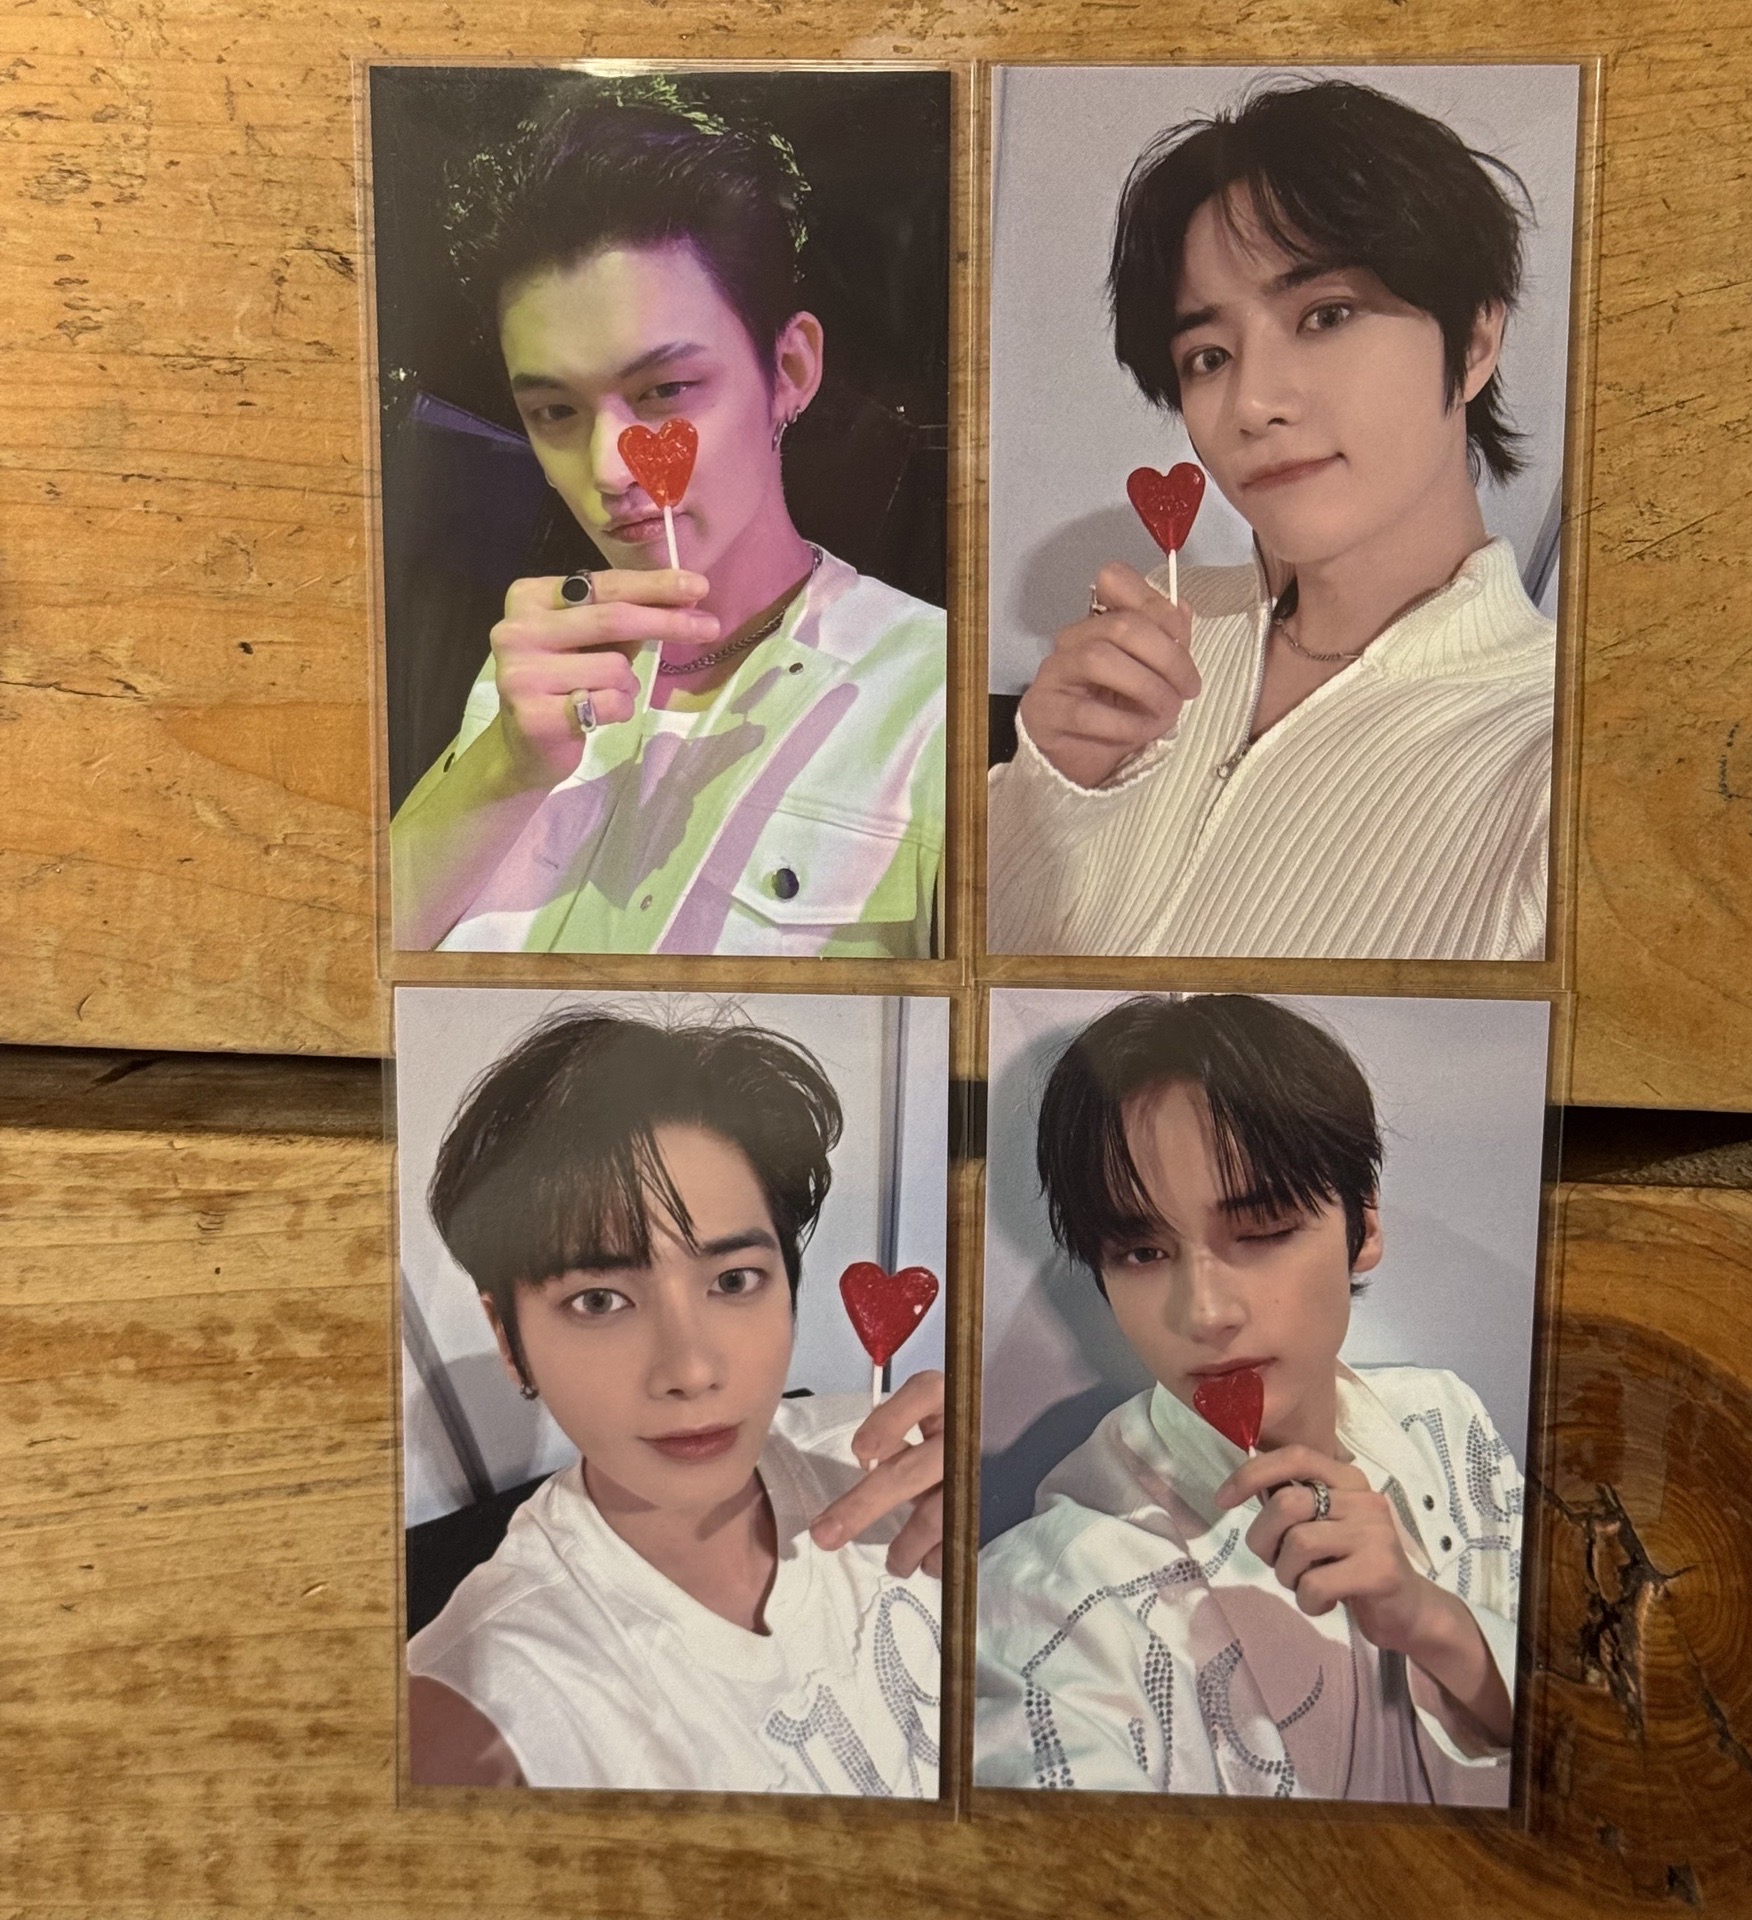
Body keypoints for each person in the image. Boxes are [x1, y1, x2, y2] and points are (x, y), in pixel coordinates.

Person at [988, 80, 1556, 961]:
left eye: (1326, 315)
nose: (1252, 402)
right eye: (1209, 356)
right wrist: (1050, 788)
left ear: (1475, 340)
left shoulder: (1557, 754)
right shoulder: (1161, 632)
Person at [390, 86, 946, 956]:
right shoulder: (532, 665)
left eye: (665, 390)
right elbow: (352, 960)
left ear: (791, 369)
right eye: (555, 411)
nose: (611, 469)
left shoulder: (930, 693)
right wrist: (505, 765)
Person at [973, 994, 1524, 1801]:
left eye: (1261, 1230)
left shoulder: (1446, 1422)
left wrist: (1439, 1626)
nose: (1205, 1314)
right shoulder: (1056, 1590)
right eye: (1142, 1251)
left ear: (1363, 1226)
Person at [407, 1011, 945, 1794]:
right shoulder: (491, 1696)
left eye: (733, 1281)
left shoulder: (893, 1464)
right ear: (508, 1335)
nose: (690, 1370)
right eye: (598, 1300)